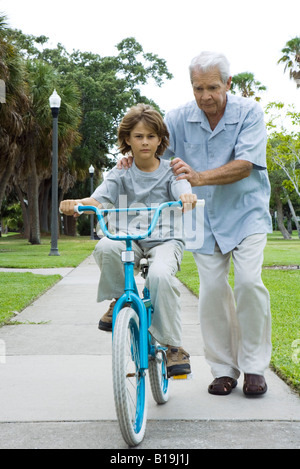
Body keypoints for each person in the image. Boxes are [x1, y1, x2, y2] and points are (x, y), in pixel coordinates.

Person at [120, 52, 273, 397]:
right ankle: (223, 371)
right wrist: (132, 154)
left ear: (228, 84)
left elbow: (246, 165)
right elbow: (151, 142)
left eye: (212, 87)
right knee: (213, 293)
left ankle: (254, 367)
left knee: (249, 284)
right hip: (200, 218)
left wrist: (199, 177)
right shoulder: (177, 118)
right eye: (198, 87)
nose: (205, 95)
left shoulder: (250, 113)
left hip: (245, 213)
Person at [60, 103, 197, 378]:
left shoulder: (172, 170)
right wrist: (76, 203)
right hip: (128, 239)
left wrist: (187, 197)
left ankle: (173, 346)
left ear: (160, 140)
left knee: (159, 276)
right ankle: (120, 298)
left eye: (150, 136)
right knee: (106, 246)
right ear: (127, 140)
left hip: (165, 239)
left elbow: (184, 188)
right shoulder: (120, 171)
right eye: (138, 136)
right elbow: (98, 199)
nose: (145, 142)